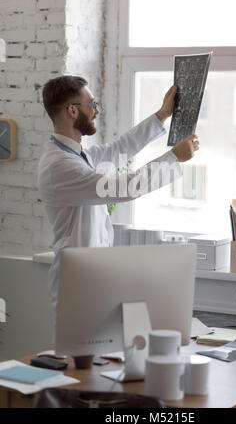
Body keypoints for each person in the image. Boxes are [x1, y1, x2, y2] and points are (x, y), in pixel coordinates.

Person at [38, 75, 199, 306]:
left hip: (94, 277)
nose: (97, 111)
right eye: (92, 104)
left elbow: (119, 148)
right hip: (77, 285)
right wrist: (173, 158)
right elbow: (123, 188)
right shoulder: (60, 166)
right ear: (72, 110)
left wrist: (163, 114)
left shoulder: (79, 156)